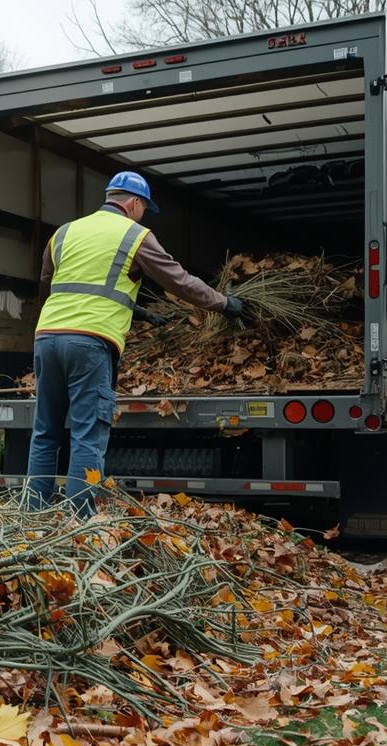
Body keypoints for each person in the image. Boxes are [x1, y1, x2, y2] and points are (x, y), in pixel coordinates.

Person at [27, 171, 247, 516]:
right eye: (144, 208)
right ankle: (78, 526)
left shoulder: (64, 232)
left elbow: (53, 285)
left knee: (45, 433)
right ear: (134, 203)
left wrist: (138, 311)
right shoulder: (135, 234)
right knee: (87, 435)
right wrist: (223, 303)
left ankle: (30, 517)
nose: (144, 214)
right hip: (91, 343)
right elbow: (179, 281)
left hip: (47, 339)